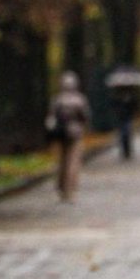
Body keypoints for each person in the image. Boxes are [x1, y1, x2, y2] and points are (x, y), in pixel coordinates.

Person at [47, 71, 90, 202]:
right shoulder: (80, 99)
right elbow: (85, 116)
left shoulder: (57, 99)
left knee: (62, 161)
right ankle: (71, 190)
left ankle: (61, 188)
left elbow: (51, 116)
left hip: (60, 133)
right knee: (73, 162)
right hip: (75, 133)